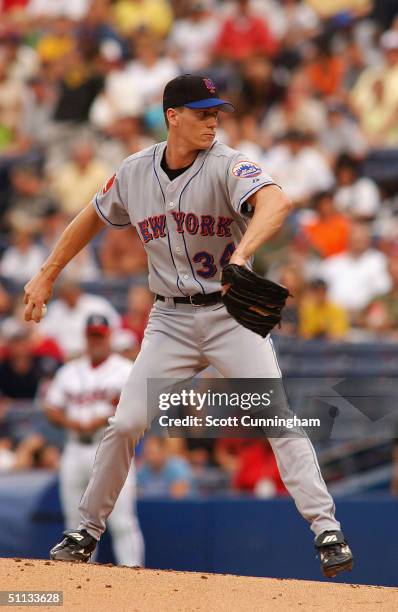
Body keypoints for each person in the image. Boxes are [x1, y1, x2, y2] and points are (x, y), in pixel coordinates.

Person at [23, 74, 353, 578]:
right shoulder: (135, 171)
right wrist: (46, 274)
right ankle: (85, 530)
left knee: (278, 417)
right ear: (172, 117)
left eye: (216, 111)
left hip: (229, 314)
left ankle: (326, 529)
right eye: (202, 112)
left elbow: (276, 201)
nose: (213, 119)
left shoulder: (227, 163)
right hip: (169, 319)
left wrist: (242, 253)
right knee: (126, 422)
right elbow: (91, 216)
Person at [44, 314, 144, 567]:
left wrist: (98, 420)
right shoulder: (69, 371)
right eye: (92, 336)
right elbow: (51, 408)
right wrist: (71, 423)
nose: (96, 341)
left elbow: (135, 407)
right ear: (85, 338)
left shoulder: (124, 369)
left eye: (100, 335)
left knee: (122, 522)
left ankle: (134, 579)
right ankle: (80, 581)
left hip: (110, 449)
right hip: (75, 448)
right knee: (74, 523)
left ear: (108, 337)